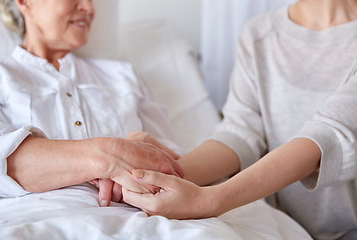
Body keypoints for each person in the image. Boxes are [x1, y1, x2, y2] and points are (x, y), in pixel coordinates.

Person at [122, 0, 357, 239]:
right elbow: (240, 132)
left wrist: (208, 200)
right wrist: (161, 174)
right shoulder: (259, 33)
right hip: (287, 228)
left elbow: (326, 138)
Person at [0, 0, 185, 210]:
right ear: (24, 2)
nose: (89, 9)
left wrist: (144, 144)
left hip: (144, 222)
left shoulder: (124, 76)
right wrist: (115, 153)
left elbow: (180, 169)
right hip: (39, 221)